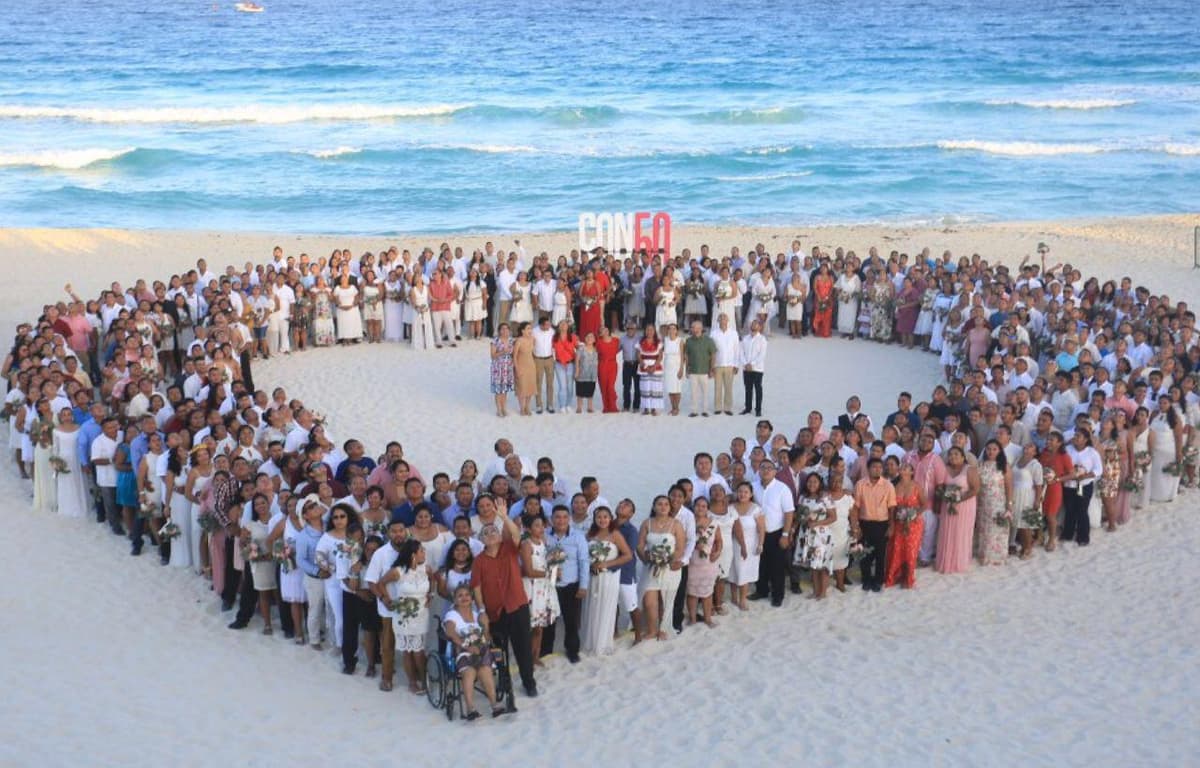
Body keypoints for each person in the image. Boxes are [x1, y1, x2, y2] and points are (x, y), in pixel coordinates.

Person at [470, 496, 538, 697]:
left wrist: (504, 517)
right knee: (499, 651)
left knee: (523, 648)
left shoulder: (509, 548)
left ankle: (529, 682)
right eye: (486, 532)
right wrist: (482, 611)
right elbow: (477, 587)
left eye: (494, 531)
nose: (490, 534)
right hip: (495, 612)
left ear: (500, 535)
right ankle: (504, 682)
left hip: (517, 606)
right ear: (480, 540)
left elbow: (517, 535)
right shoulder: (479, 561)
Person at [377, 538, 435, 694]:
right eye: (422, 550)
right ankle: (412, 682)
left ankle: (423, 680)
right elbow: (380, 583)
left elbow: (433, 579)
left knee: (419, 649)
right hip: (404, 615)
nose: (424, 553)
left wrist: (431, 594)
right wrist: (386, 600)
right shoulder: (398, 571)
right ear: (413, 554)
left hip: (422, 614)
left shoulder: (426, 569)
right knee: (409, 650)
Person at [443, 584, 509, 720]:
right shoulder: (452, 615)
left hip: (481, 650)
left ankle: (494, 705)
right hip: (462, 651)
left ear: (472, 598)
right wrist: (467, 646)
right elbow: (450, 632)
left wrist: (486, 626)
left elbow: (486, 636)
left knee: (485, 670)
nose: (464, 598)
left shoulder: (476, 614)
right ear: (454, 600)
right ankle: (470, 708)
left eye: (467, 595)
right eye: (460, 595)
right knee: (469, 672)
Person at [541, 505, 590, 663]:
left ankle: (572, 650)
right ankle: (546, 650)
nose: (561, 520)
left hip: (571, 585)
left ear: (568, 519)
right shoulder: (545, 536)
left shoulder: (578, 537)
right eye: (557, 517)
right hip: (550, 586)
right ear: (551, 519)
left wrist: (583, 585)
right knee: (549, 620)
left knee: (571, 620)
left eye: (564, 517)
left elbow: (584, 562)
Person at [581, 506, 631, 654]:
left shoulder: (615, 534)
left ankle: (602, 643)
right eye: (599, 517)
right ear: (595, 519)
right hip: (592, 578)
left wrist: (607, 564)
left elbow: (627, 555)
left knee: (605, 607)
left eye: (605, 517)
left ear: (610, 519)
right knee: (591, 607)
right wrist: (590, 565)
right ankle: (590, 642)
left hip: (609, 577)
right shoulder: (589, 535)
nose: (602, 520)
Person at [637, 495, 685, 640]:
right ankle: (652, 630)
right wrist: (647, 558)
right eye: (659, 504)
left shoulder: (676, 524)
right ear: (654, 506)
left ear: (670, 508)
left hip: (669, 568)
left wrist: (667, 559)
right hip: (650, 567)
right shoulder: (647, 523)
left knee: (666, 600)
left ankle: (663, 628)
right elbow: (640, 545)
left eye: (666, 504)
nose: (663, 507)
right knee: (649, 601)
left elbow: (680, 548)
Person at [519, 511, 560, 667]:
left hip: (544, 587)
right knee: (530, 626)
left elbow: (549, 562)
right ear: (528, 529)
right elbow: (528, 571)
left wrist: (556, 571)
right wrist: (549, 573)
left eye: (542, 525)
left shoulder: (544, 542)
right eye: (537, 525)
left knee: (540, 625)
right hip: (531, 587)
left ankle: (535, 656)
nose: (541, 528)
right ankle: (526, 658)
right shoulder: (526, 545)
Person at [852, 457, 895, 591]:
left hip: (882, 524)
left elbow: (892, 508)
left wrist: (891, 526)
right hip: (865, 523)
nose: (877, 469)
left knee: (880, 554)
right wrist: (856, 526)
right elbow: (856, 507)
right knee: (864, 554)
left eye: (879, 467)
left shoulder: (888, 485)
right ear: (868, 469)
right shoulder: (860, 484)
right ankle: (866, 579)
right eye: (874, 467)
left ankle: (878, 580)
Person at [934, 447, 980, 574]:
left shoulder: (969, 470)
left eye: (956, 454)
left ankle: (960, 560)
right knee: (947, 531)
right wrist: (944, 495)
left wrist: (958, 499)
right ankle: (946, 560)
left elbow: (975, 489)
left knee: (961, 532)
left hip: (964, 505)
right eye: (950, 454)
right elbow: (940, 487)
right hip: (947, 505)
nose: (953, 456)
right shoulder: (944, 469)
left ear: (963, 457)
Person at [975, 439, 1013, 565]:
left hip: (999, 502)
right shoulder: (980, 465)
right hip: (983, 502)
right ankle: (984, 555)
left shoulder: (1004, 466)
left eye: (994, 449)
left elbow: (1009, 486)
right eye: (989, 449)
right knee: (984, 529)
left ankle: (997, 556)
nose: (991, 451)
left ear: (999, 451)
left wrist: (1009, 504)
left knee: (997, 528)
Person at [1062, 429, 1101, 546]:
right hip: (1069, 485)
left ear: (1085, 439)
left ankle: (1083, 536)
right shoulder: (1067, 450)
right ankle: (1067, 533)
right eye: (1075, 435)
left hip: (1084, 485)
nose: (1075, 438)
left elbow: (1099, 469)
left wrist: (1085, 476)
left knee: (1082, 510)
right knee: (1069, 509)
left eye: (1078, 436)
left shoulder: (1092, 452)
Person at [728, 482, 763, 610]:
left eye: (746, 492)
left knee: (744, 571)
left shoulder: (756, 508)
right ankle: (733, 596)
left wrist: (760, 544)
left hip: (750, 544)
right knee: (733, 570)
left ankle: (742, 599)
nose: (742, 494)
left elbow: (761, 528)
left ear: (751, 494)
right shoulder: (730, 507)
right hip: (733, 543)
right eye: (740, 491)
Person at [680, 320, 716, 417]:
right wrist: (687, 368)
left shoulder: (708, 340)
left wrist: (712, 369)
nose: (693, 329)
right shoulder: (689, 341)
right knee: (693, 392)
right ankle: (694, 411)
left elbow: (713, 355)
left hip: (704, 371)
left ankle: (705, 410)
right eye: (692, 327)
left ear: (700, 328)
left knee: (705, 392)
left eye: (695, 327)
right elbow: (686, 356)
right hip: (693, 371)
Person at [739, 320, 767, 417]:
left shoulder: (762, 339)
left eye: (756, 324)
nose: (753, 326)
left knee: (758, 389)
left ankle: (758, 409)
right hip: (746, 368)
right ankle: (748, 408)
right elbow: (741, 352)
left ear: (759, 327)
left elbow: (762, 355)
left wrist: (752, 364)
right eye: (752, 324)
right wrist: (746, 364)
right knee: (748, 388)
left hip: (757, 369)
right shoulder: (745, 338)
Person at [637, 324, 664, 416]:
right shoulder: (640, 342)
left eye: (651, 330)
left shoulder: (659, 342)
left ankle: (653, 408)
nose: (649, 331)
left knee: (655, 388)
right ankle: (646, 408)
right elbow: (639, 356)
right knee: (645, 387)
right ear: (645, 331)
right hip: (644, 368)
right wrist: (646, 367)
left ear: (654, 331)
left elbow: (660, 356)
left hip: (656, 368)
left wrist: (654, 367)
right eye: (648, 329)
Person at [490, 323, 515, 418]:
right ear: (499, 330)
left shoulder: (511, 340)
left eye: (507, 329)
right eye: (502, 329)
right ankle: (498, 409)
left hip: (508, 367)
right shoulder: (495, 341)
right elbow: (492, 356)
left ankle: (504, 408)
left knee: (504, 389)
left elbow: (513, 354)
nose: (505, 331)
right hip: (498, 367)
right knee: (498, 389)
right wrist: (502, 352)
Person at [512, 322, 536, 417]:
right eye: (528, 328)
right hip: (521, 366)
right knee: (521, 388)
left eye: (530, 328)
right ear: (522, 331)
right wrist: (516, 369)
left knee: (530, 387)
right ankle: (522, 408)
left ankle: (527, 407)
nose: (530, 330)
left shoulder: (532, 340)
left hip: (531, 365)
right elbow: (514, 356)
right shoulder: (519, 341)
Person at [595, 325, 620, 413]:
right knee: (603, 387)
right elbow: (594, 353)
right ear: (600, 334)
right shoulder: (598, 343)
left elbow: (619, 349)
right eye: (602, 330)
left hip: (612, 364)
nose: (604, 331)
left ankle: (613, 406)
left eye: (605, 329)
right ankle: (606, 407)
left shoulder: (616, 340)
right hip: (602, 365)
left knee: (610, 386)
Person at [574, 332, 598, 414]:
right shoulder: (581, 348)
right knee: (580, 391)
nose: (589, 338)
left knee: (590, 391)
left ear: (594, 340)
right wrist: (577, 371)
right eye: (588, 337)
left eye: (591, 337)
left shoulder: (596, 349)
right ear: (585, 339)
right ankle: (579, 407)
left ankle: (590, 407)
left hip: (592, 374)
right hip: (582, 373)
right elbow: (577, 360)